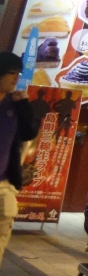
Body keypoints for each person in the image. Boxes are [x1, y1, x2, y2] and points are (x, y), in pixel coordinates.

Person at [0, 52, 38, 258]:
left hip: (4, 184)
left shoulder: (14, 104)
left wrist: (24, 104)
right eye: (12, 72)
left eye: (18, 73)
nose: (16, 78)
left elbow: (30, 132)